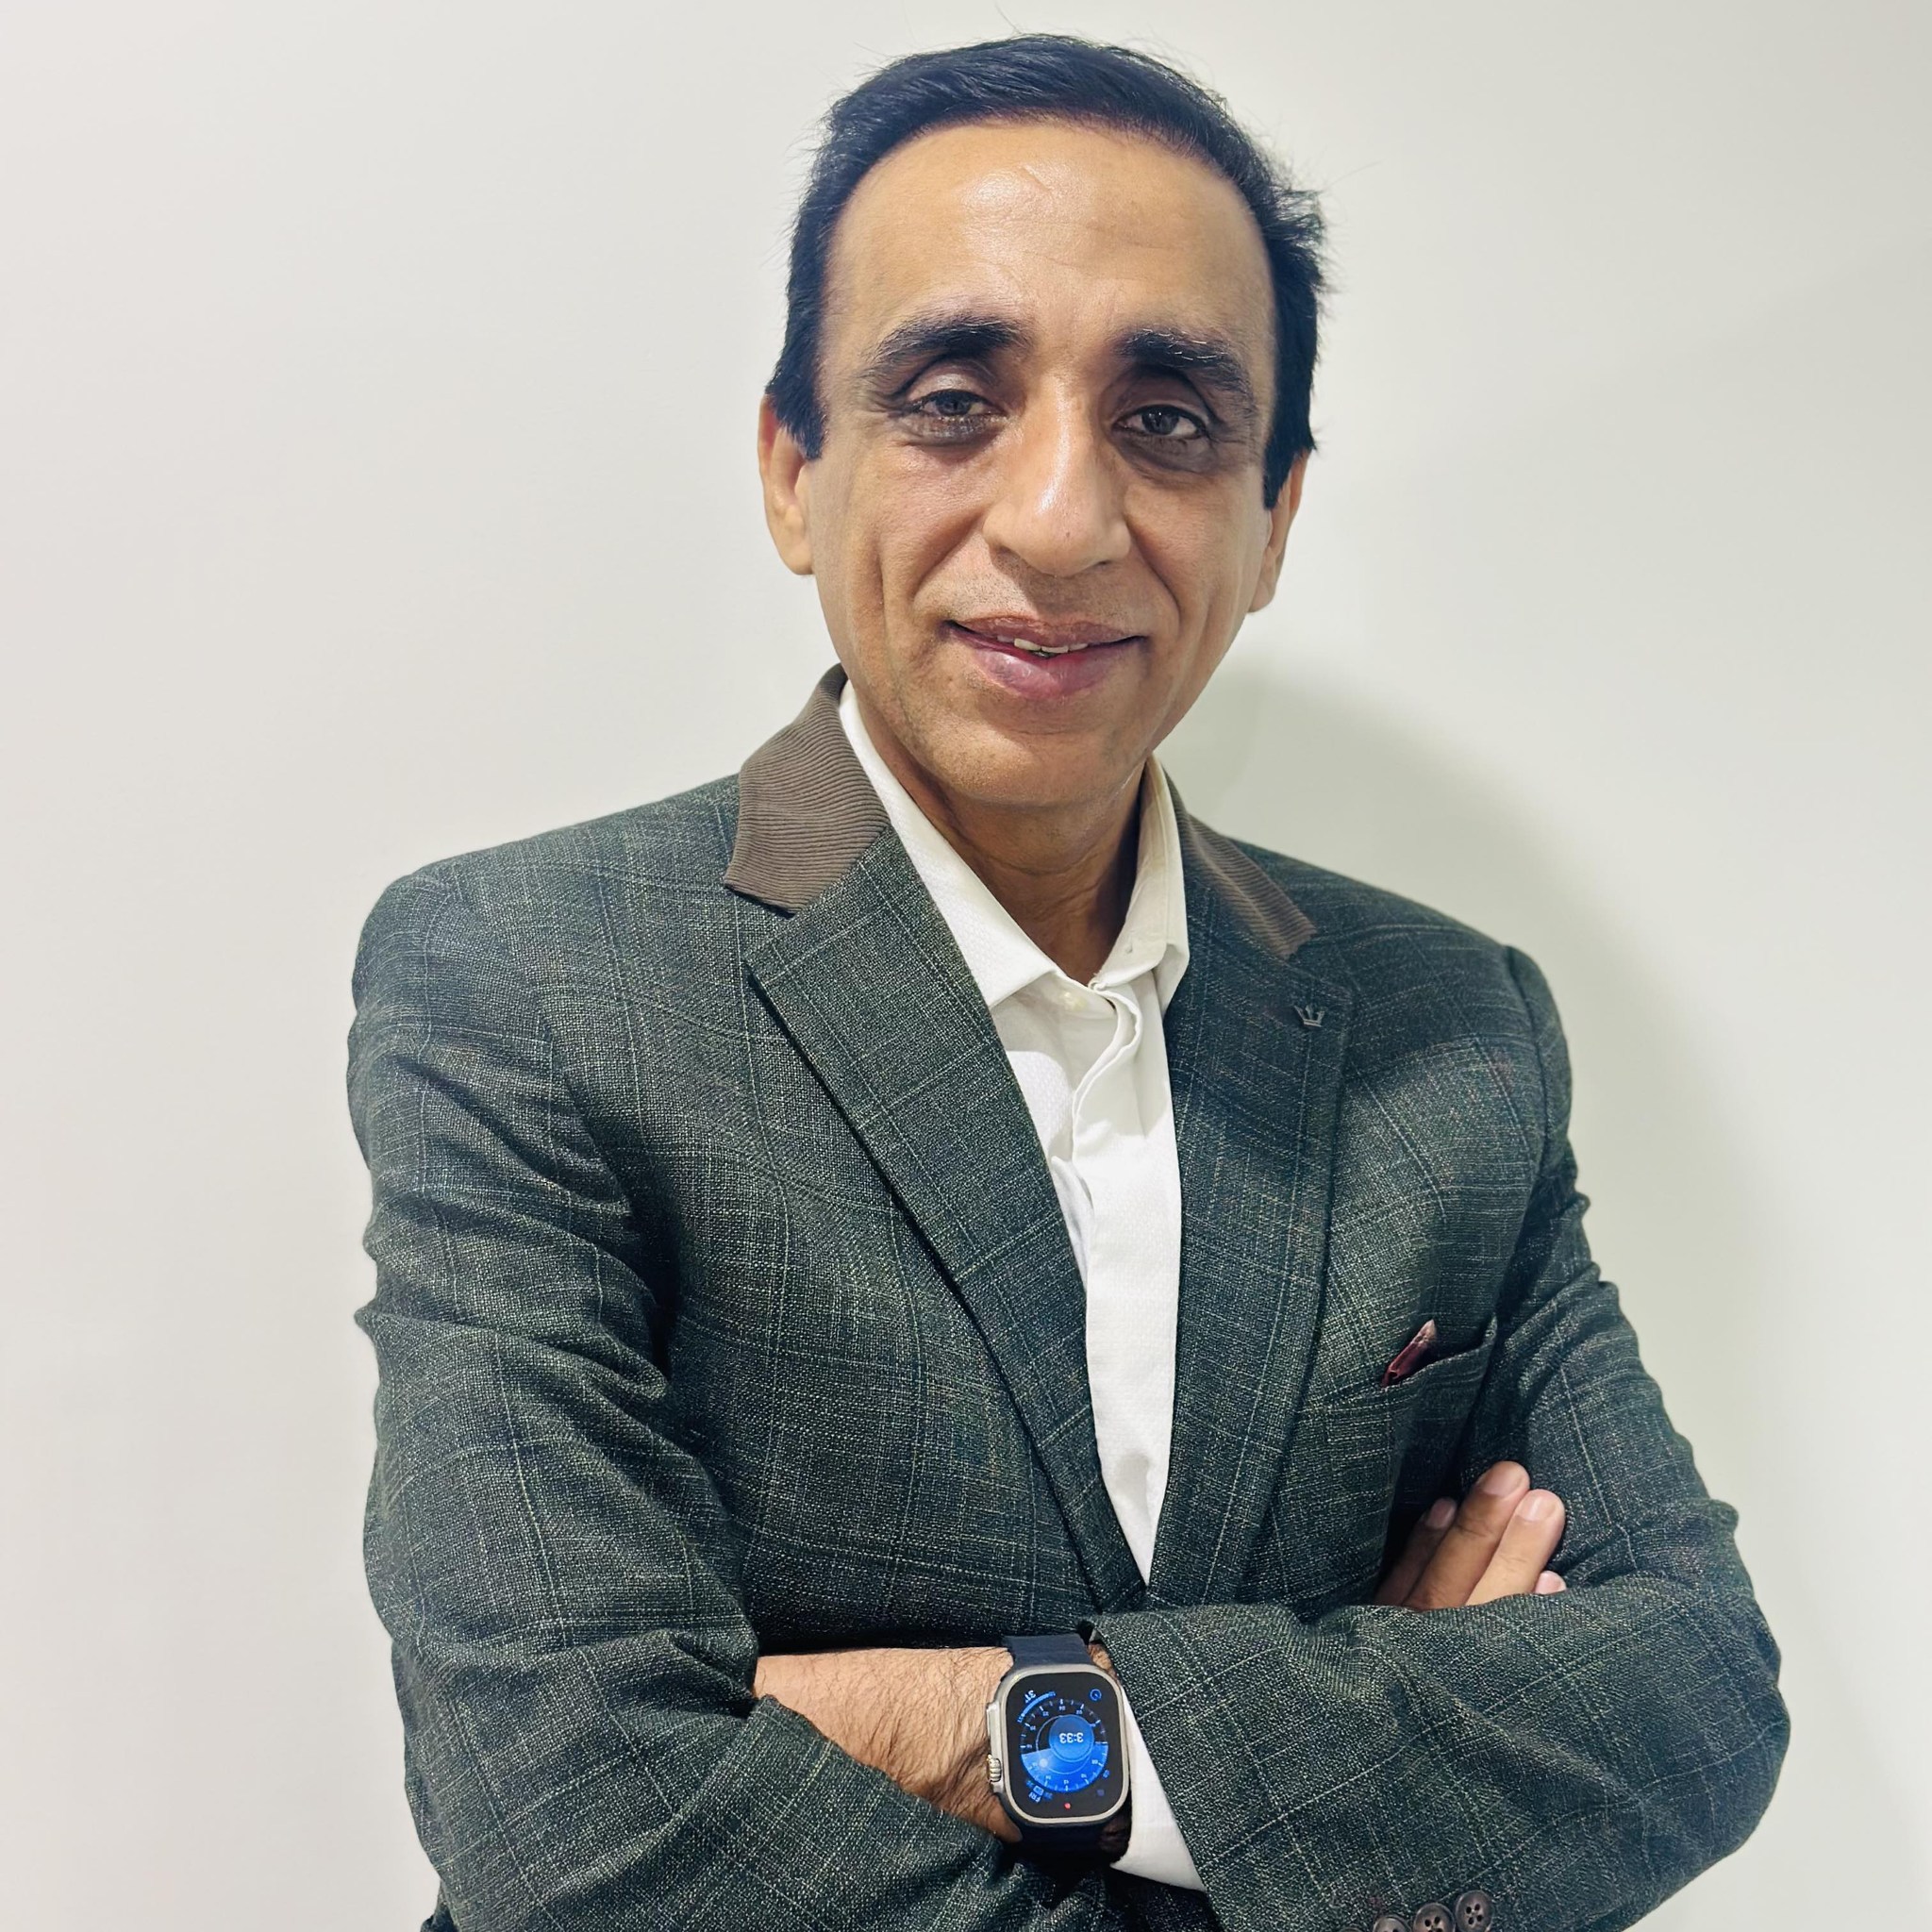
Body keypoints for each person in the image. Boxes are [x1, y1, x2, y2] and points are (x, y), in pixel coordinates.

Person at [346, 34, 1787, 1932]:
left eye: (1168, 421)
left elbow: (1691, 1704)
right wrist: (1351, 1772)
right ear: (792, 471)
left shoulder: (1452, 1032)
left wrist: (955, 1721)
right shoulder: (528, 979)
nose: (1058, 518)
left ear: (1273, 519)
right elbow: (572, 1814)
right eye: (952, 400)